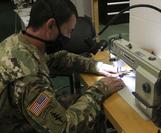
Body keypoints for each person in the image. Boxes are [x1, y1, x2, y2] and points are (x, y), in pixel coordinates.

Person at [0, 0, 124, 132]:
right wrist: (100, 89)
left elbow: (57, 59)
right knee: (89, 114)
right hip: (15, 126)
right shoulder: (29, 79)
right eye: (68, 31)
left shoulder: (18, 42)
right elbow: (64, 128)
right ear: (51, 25)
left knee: (81, 101)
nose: (69, 37)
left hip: (20, 111)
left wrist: (96, 66)